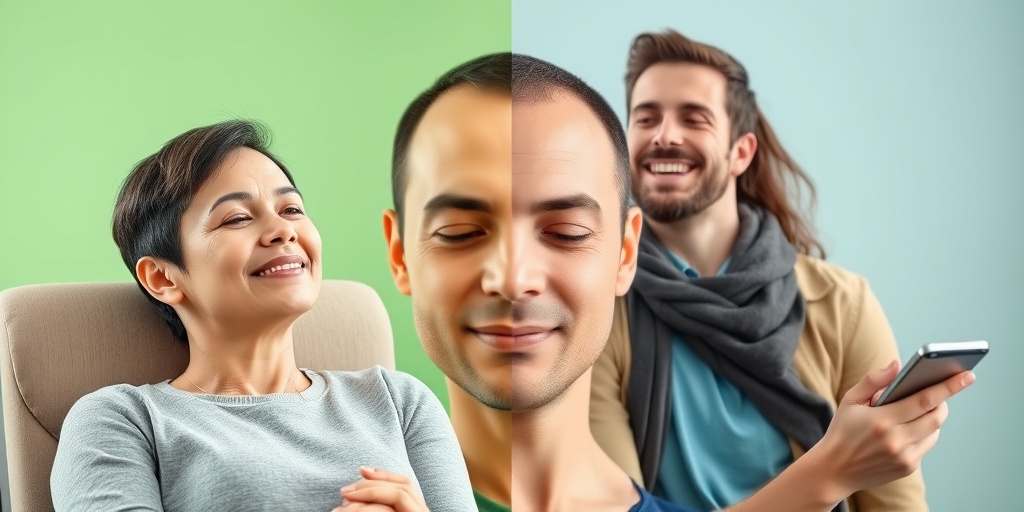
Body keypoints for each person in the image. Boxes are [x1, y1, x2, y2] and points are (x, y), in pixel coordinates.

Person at [383, 52, 974, 511]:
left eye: (566, 232)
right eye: (460, 232)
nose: (514, 278)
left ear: (623, 252)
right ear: (400, 253)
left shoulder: (840, 303)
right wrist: (828, 473)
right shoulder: (355, 468)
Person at [589, 29, 939, 511]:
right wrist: (833, 468)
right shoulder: (599, 308)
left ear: (741, 152)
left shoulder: (843, 305)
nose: (664, 135)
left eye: (693, 118)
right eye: (646, 118)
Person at [50, 120, 476, 512]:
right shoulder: (121, 420)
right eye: (237, 218)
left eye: (291, 209)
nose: (284, 230)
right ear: (163, 278)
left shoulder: (400, 401)